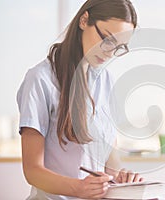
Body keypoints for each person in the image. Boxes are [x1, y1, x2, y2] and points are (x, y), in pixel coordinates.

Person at [16, 0, 141, 199]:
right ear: (84, 20)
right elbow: (32, 171)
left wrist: (121, 178)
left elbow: (110, 161)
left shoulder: (106, 81)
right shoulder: (40, 79)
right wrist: (78, 188)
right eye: (107, 40)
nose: (110, 53)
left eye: (118, 47)